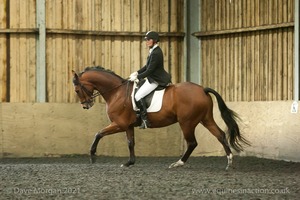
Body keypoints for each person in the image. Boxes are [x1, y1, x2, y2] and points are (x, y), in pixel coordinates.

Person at [129, 31, 172, 129]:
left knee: (138, 96)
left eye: (149, 40)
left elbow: (150, 70)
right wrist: (137, 72)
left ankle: (145, 120)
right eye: (146, 40)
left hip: (156, 80)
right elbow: (146, 66)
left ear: (154, 40)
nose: (147, 42)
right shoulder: (153, 50)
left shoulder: (156, 53)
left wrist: (138, 77)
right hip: (152, 78)